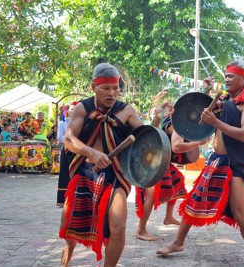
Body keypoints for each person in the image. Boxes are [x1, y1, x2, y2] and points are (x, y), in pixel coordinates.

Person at [58, 63, 172, 267]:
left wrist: (155, 122)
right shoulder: (83, 108)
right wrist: (91, 152)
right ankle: (68, 251)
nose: (112, 93)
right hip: (84, 172)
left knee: (118, 226)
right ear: (94, 87)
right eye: (106, 88)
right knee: (69, 224)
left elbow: (146, 138)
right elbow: (68, 139)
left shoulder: (126, 110)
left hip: (116, 173)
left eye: (116, 88)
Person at [199, 59, 244, 267]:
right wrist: (205, 89)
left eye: (231, 76)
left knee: (239, 212)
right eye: (225, 75)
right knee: (195, 200)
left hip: (238, 162)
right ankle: (178, 241)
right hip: (219, 160)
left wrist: (215, 122)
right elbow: (199, 108)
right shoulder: (224, 100)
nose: (226, 79)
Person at [135, 116, 209, 241]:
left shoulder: (176, 122)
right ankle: (141, 230)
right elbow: (177, 147)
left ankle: (168, 217)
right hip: (152, 161)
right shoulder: (177, 126)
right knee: (152, 195)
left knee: (177, 182)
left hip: (161, 159)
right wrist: (198, 143)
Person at [56, 102, 77, 207]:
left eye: (75, 109)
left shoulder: (80, 122)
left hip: (77, 150)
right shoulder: (62, 123)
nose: (73, 110)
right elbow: (59, 137)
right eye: (72, 109)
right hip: (66, 149)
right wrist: (70, 139)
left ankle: (76, 198)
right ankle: (63, 199)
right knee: (65, 173)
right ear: (68, 111)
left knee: (77, 172)